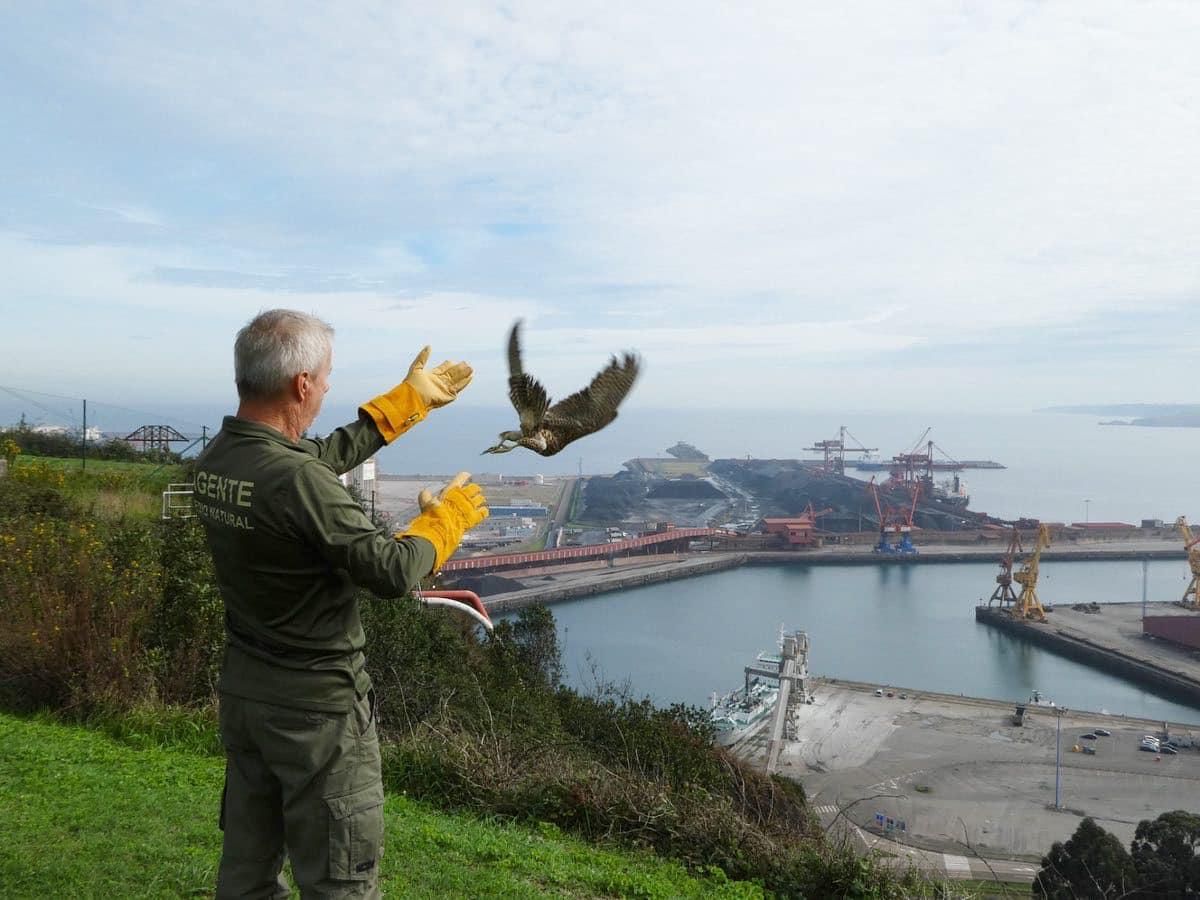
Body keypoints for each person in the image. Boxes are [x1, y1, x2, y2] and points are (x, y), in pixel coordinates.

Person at [194, 309, 488, 898]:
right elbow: (391, 570)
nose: (327, 388)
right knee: (339, 881)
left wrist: (407, 404)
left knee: (248, 871)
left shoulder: (221, 459)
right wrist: (445, 522)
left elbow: (311, 462)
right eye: (325, 378)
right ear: (301, 383)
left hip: (249, 695)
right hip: (317, 714)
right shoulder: (295, 482)